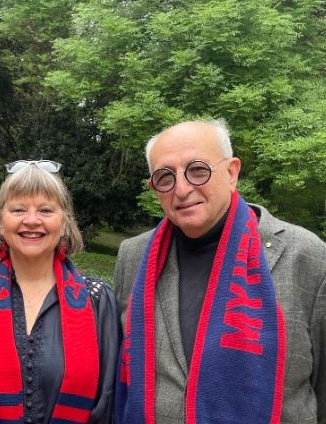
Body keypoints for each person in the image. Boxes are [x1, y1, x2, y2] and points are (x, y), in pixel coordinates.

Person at [114, 119, 326, 424]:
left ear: (231, 172)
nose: (182, 189)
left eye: (197, 169)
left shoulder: (305, 255)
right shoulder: (133, 256)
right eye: (165, 177)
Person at [0, 160, 121, 423]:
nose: (32, 220)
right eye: (18, 209)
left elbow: (107, 403)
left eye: (45, 210)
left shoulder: (98, 301)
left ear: (64, 222)